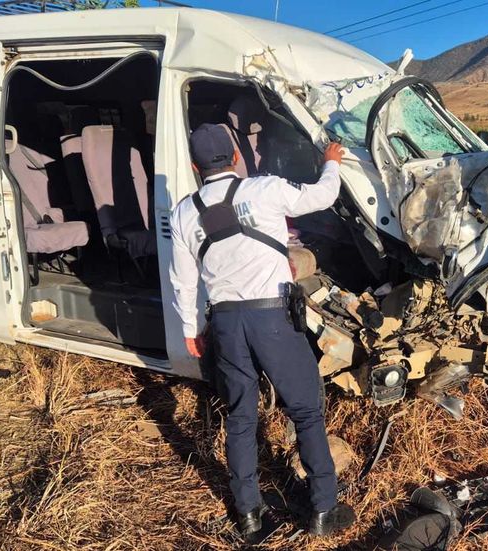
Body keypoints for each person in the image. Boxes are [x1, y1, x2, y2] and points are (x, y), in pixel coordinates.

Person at [169, 123, 355, 538]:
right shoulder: (263, 189)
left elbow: (182, 280)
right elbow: (323, 195)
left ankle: (249, 515)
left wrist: (191, 328)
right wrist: (331, 163)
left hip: (226, 322)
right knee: (305, 411)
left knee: (240, 417)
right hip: (273, 320)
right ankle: (324, 509)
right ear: (235, 157)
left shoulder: (183, 212)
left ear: (196, 166)